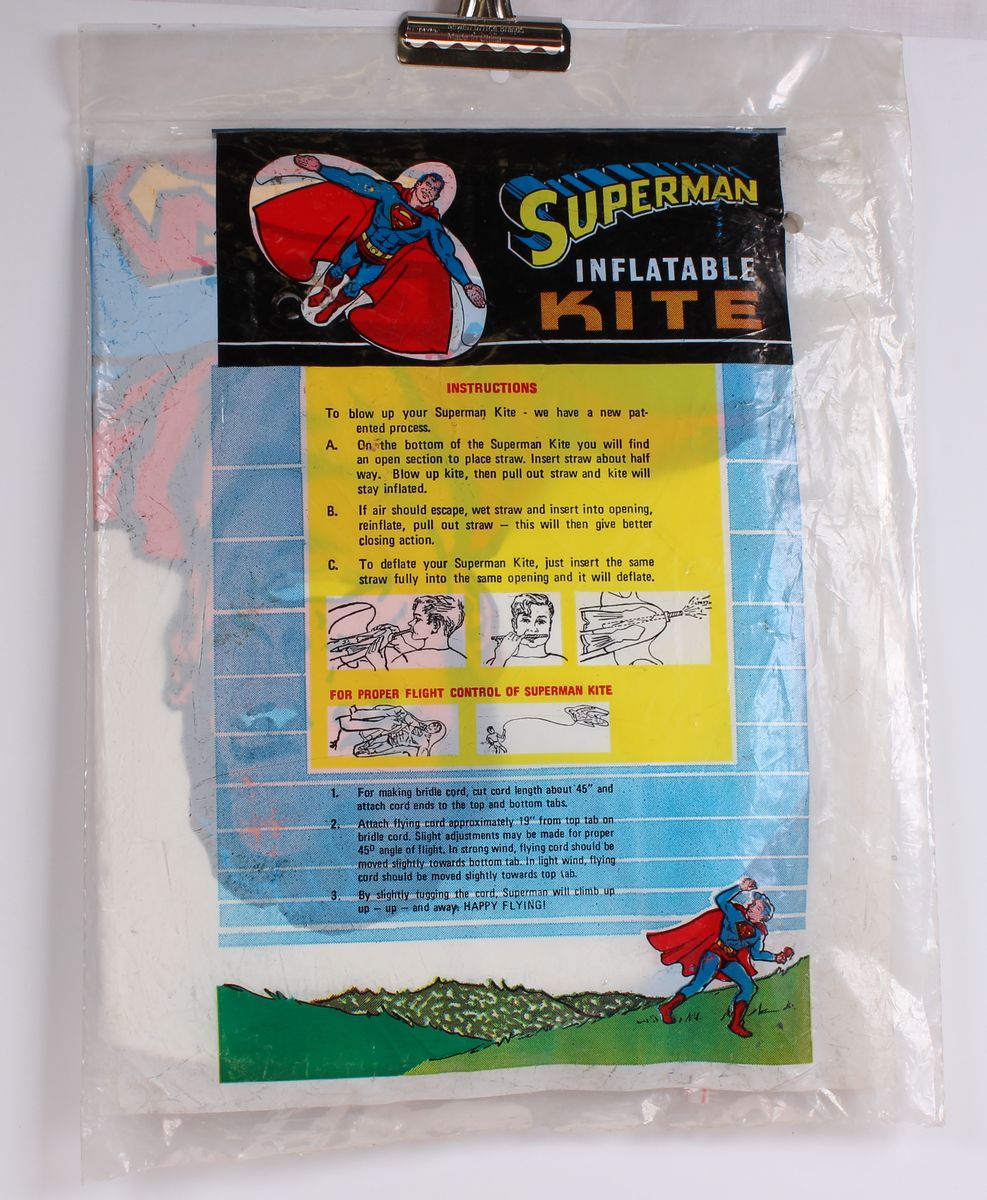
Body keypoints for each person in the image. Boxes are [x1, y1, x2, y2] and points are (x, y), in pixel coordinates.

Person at [291, 154, 486, 326]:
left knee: (354, 286)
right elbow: (353, 182)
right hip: (360, 245)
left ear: (435, 197)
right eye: (427, 184)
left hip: (378, 261)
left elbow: (447, 256)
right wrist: (320, 168)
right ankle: (325, 292)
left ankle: (333, 307)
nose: (428, 190)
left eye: (434, 190)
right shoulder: (389, 193)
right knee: (337, 269)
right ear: (418, 184)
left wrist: (467, 284)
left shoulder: (430, 225)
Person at [645, 877, 794, 1038]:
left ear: (762, 917)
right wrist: (740, 888)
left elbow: (757, 954)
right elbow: (721, 900)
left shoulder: (757, 934)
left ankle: (735, 1024)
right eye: (753, 904)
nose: (751, 907)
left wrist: (776, 957)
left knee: (748, 987)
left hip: (729, 960)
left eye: (757, 908)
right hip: (715, 954)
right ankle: (667, 1008)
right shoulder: (735, 913)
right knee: (698, 985)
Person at [486, 593, 566, 666]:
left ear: (550, 625)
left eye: (541, 621)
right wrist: (500, 657)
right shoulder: (496, 662)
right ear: (514, 624)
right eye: (526, 620)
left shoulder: (561, 661)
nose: (532, 629)